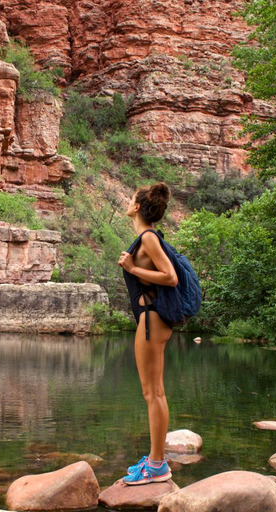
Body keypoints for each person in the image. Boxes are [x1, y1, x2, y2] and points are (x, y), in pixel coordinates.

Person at [117, 182, 177, 485]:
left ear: (138, 207)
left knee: (152, 393)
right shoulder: (145, 238)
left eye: (130, 199)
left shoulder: (149, 237)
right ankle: (155, 460)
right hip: (150, 317)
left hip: (153, 318)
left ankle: (156, 466)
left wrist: (132, 267)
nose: (127, 203)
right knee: (154, 392)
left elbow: (170, 276)